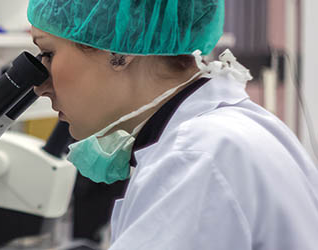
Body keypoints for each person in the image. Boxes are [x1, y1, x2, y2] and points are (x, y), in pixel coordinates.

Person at [27, 0, 318, 249]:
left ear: (119, 51)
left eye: (48, 53)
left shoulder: (195, 157)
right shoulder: (232, 130)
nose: (40, 86)